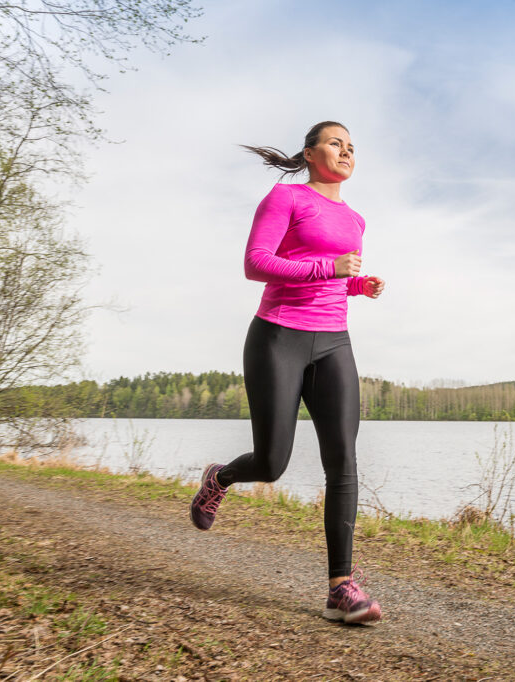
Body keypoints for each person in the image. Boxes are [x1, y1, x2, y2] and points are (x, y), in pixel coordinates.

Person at [189, 121, 385, 624]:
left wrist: (357, 286)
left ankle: (341, 587)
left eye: (351, 146)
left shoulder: (356, 219)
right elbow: (257, 264)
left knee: (343, 459)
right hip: (278, 337)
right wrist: (332, 270)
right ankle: (221, 477)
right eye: (335, 142)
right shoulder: (286, 199)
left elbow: (333, 278)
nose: (346, 151)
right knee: (272, 462)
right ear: (310, 151)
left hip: (333, 341)